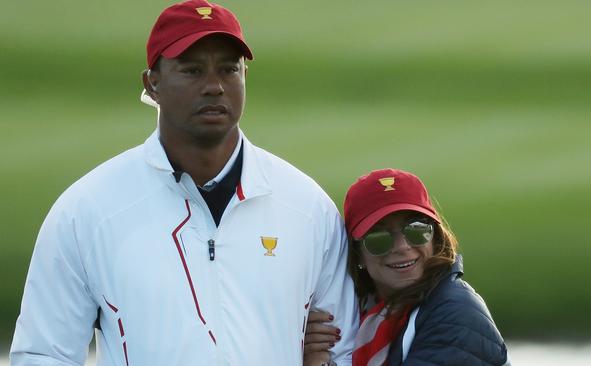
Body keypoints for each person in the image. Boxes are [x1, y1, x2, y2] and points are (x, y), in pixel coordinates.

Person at [10, 1, 358, 365]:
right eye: (192, 71)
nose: (214, 86)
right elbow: (43, 353)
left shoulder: (306, 207)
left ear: (245, 77)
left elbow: (347, 349)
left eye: (228, 70)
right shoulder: (87, 210)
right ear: (152, 83)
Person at [304, 169, 508, 365]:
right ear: (358, 254)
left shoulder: (456, 314)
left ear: (435, 238)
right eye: (379, 238)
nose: (402, 246)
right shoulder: (360, 311)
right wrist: (300, 341)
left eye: (416, 229)